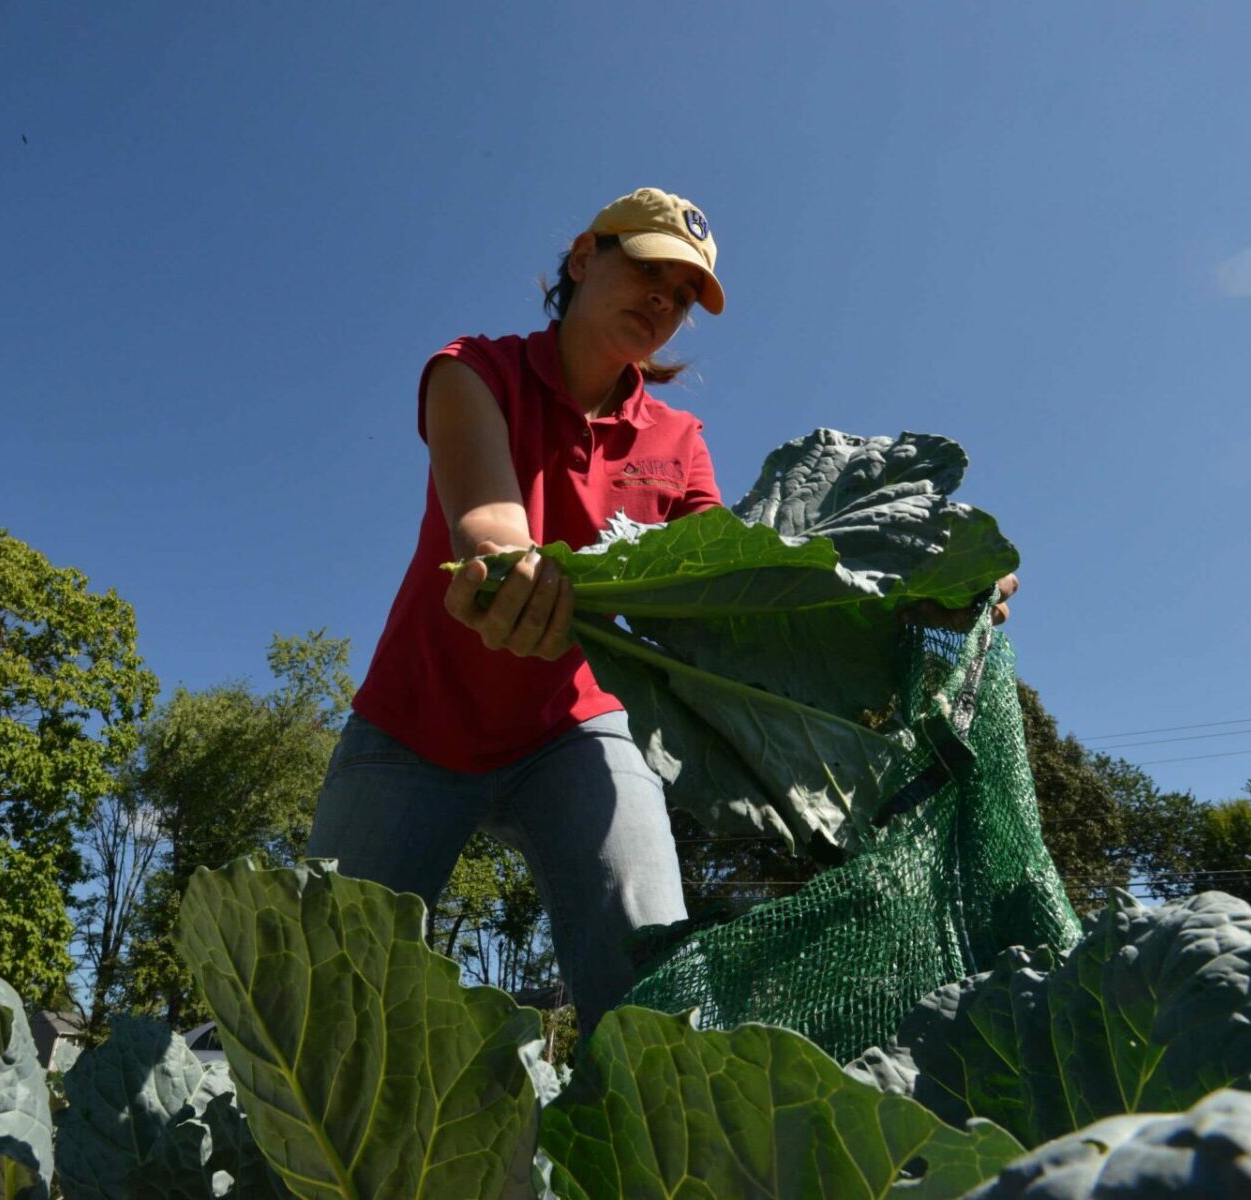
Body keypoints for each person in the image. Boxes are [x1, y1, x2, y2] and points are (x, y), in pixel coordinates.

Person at [305, 187, 1013, 1037]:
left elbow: (733, 595)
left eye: (683, 297)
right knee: (324, 994)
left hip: (578, 727)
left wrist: (907, 590)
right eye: (648, 268)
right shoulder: (472, 370)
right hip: (416, 724)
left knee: (654, 992)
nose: (663, 301)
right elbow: (490, 523)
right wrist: (505, 564)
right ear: (582, 258)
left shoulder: (677, 440)